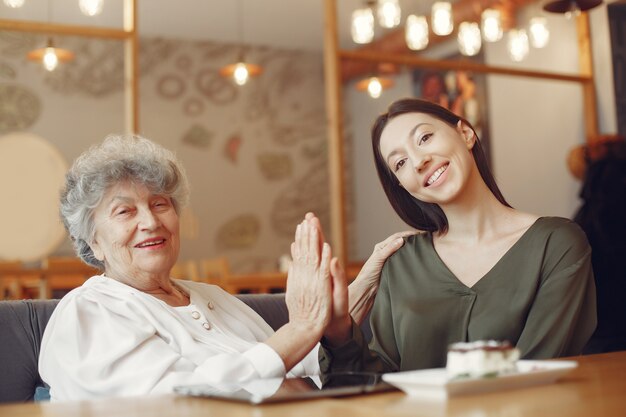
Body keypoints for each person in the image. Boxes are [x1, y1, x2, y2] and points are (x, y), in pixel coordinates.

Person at [39, 134, 409, 401]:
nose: (151, 222)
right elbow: (171, 402)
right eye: (125, 211)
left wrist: (338, 317)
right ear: (93, 241)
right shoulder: (88, 312)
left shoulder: (211, 297)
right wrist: (299, 329)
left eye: (160, 204)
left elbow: (298, 369)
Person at [315, 98, 597, 374]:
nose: (418, 161)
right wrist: (339, 333)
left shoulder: (557, 244)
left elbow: (538, 371)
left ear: (465, 133)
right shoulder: (400, 262)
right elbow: (380, 382)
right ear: (402, 186)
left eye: (424, 138)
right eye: (399, 163)